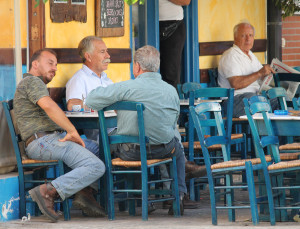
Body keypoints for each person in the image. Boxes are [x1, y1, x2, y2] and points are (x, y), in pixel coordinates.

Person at [86, 45, 190, 215]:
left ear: (137, 67)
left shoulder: (126, 88)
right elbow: (173, 122)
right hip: (164, 150)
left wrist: (113, 103)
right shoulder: (171, 91)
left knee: (112, 142)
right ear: (156, 66)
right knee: (177, 147)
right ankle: (178, 195)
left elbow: (91, 100)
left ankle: (129, 199)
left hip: (131, 153)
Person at [13, 48, 106, 222]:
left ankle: (84, 192)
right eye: (50, 63)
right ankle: (48, 191)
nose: (55, 68)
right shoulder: (31, 82)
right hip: (43, 142)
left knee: (96, 148)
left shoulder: (36, 84)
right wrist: (72, 131)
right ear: (35, 64)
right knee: (97, 167)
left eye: (56, 65)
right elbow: (48, 106)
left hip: (50, 139)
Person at [218, 22, 277, 117]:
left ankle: (278, 130)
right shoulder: (230, 55)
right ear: (235, 37)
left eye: (250, 35)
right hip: (234, 101)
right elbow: (236, 84)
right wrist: (259, 73)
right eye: (243, 35)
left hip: (255, 97)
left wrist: (267, 75)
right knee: (255, 99)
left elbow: (260, 77)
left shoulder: (251, 55)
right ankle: (261, 131)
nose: (248, 39)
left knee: (279, 98)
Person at [66, 36, 113, 141]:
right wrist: (102, 105)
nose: (108, 56)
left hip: (118, 131)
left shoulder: (107, 80)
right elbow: (72, 106)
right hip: (103, 139)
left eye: (107, 51)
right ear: (88, 56)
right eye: (102, 52)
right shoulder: (79, 79)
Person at [159, 0, 191, 88]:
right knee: (148, 69)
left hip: (173, 24)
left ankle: (171, 100)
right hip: (147, 23)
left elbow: (186, 1)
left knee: (170, 72)